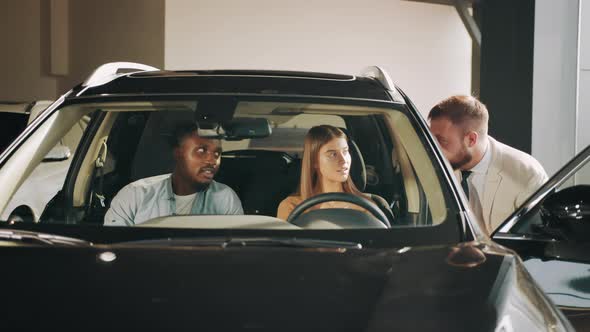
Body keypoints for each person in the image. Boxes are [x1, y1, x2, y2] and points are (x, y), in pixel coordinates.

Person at [428, 95, 548, 234]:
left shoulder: (526, 174)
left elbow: (533, 242)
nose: (433, 149)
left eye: (441, 141)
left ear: (471, 139)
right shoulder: (436, 165)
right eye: (431, 139)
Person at [104, 123, 243, 226]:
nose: (212, 160)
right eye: (201, 151)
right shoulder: (135, 194)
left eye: (217, 153)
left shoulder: (225, 198)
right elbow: (112, 244)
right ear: (178, 154)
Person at [277, 125, 378, 221]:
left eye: (345, 151)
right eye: (333, 154)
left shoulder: (366, 205)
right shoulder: (292, 206)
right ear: (314, 162)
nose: (343, 160)